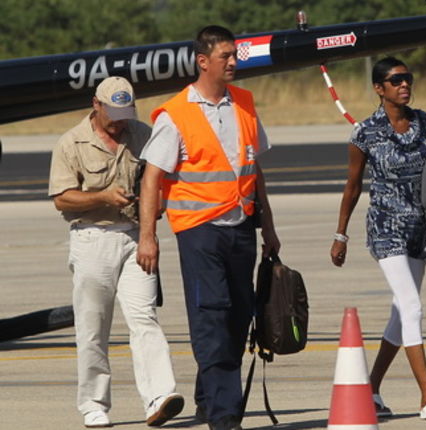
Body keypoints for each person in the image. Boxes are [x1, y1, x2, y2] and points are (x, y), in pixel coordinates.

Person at [136, 25, 280, 430]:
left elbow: (256, 171)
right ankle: (224, 416)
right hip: (200, 231)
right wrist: (148, 236)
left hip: (241, 228)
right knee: (211, 317)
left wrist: (268, 226)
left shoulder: (246, 105)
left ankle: (208, 397)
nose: (234, 62)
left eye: (235, 55)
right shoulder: (176, 114)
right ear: (203, 62)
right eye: (226, 57)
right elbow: (152, 178)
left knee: (238, 316)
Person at [48, 76, 184, 428]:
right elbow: (62, 198)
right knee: (93, 326)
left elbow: (162, 179)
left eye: (126, 112)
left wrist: (154, 216)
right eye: (113, 112)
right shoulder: (71, 142)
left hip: (137, 237)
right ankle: (94, 403)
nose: (121, 120)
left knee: (144, 318)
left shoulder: (143, 134)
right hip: (93, 238)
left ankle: (159, 396)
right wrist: (103, 197)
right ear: (96, 104)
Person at [330, 57, 426, 421]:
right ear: (378, 88)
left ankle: (370, 389)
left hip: (421, 227)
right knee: (412, 305)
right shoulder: (364, 134)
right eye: (396, 80)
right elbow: (353, 186)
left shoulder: (423, 122)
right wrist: (341, 234)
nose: (404, 84)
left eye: (408, 78)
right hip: (386, 228)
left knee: (402, 313)